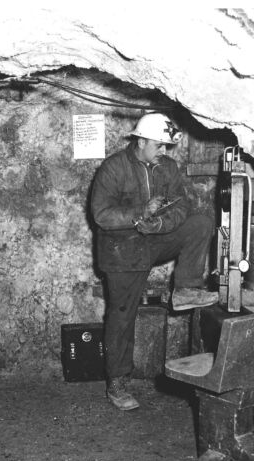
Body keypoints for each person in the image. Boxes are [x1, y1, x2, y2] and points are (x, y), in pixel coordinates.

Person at [90, 112, 217, 411]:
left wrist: (159, 225)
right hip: (121, 249)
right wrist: (138, 214)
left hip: (154, 239)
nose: (164, 151)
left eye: (167, 146)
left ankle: (185, 288)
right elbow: (101, 215)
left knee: (200, 223)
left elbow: (181, 205)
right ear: (141, 141)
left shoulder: (168, 168)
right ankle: (117, 383)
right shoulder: (113, 168)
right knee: (122, 316)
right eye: (159, 145)